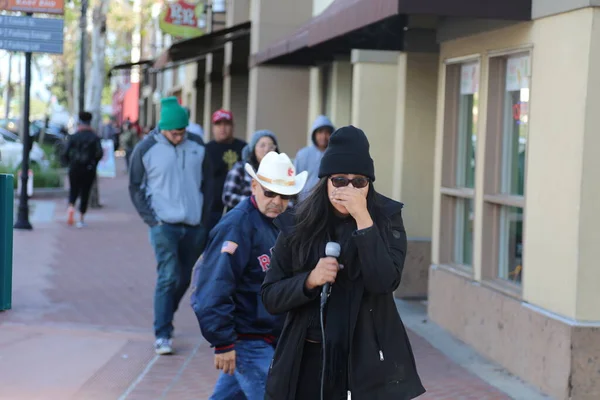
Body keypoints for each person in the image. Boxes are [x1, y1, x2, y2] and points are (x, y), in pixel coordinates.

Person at [261, 126, 426, 400]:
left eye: (359, 182)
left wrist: (364, 220)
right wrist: (309, 280)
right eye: (339, 180)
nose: (348, 189)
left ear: (369, 184)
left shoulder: (386, 218)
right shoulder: (298, 224)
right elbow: (270, 296)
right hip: (307, 358)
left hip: (363, 362)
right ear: (325, 180)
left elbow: (385, 281)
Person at [191, 151, 307, 400]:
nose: (277, 201)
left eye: (285, 195)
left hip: (266, 336)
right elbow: (212, 286)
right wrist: (222, 342)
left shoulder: (281, 224)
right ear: (254, 186)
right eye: (270, 192)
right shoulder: (237, 225)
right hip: (247, 338)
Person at [129, 96, 213, 355]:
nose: (179, 137)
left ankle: (165, 314)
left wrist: (205, 218)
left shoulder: (198, 145)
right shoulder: (145, 149)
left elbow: (208, 183)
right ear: (163, 128)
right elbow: (135, 187)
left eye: (182, 132)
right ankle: (162, 333)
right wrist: (151, 219)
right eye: (175, 133)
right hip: (163, 225)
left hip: (194, 225)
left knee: (184, 277)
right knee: (168, 276)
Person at [205, 109, 247, 230]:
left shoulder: (243, 148)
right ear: (213, 127)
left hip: (238, 208)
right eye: (219, 124)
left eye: (226, 124)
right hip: (211, 211)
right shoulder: (206, 150)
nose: (223, 128)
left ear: (233, 126)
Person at [63, 111, 103, 228]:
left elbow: (65, 152)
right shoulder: (94, 137)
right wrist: (94, 163)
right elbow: (99, 153)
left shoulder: (74, 137)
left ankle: (71, 207)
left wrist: (69, 163)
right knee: (85, 192)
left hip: (74, 167)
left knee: (73, 190)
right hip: (88, 168)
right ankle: (81, 218)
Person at [222, 129, 279, 211]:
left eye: (271, 146)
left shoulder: (280, 171)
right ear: (253, 149)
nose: (266, 150)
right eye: (262, 145)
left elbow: (291, 200)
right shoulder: (241, 168)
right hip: (244, 216)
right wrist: (257, 202)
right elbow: (228, 197)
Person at [293, 115, 334, 202]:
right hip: (304, 202)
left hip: (327, 203)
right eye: (320, 132)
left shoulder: (335, 155)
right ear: (314, 134)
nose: (324, 136)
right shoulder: (303, 154)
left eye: (327, 132)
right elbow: (295, 180)